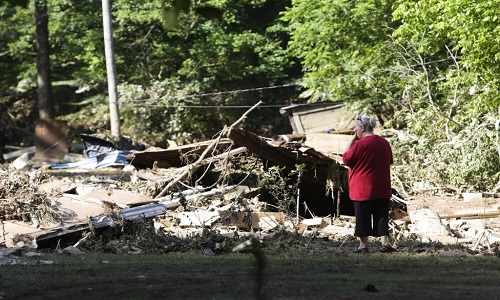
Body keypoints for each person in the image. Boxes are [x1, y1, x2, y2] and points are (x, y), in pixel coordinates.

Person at [342, 115, 396, 253]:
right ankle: (385, 242)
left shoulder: (359, 144)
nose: (354, 130)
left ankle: (363, 245)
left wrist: (353, 139)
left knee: (363, 216)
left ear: (362, 127)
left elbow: (346, 159)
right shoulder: (384, 142)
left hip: (362, 187)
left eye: (355, 127)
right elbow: (389, 161)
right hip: (382, 185)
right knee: (381, 215)